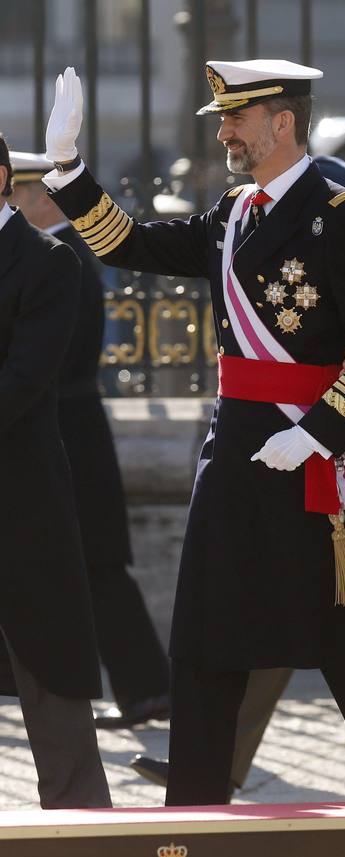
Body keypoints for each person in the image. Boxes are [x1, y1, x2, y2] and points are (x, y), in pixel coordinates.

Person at [43, 63, 345, 807]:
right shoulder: (233, 211)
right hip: (236, 459)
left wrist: (318, 432)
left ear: (283, 122)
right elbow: (130, 244)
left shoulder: (339, 214)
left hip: (315, 466)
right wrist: (68, 170)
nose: (223, 133)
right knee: (205, 640)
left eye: (235, 119)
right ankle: (192, 816)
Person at [9, 151, 171, 730]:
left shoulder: (59, 257)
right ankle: (145, 689)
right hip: (66, 426)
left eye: (18, 194)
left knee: (96, 566)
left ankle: (148, 689)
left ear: (39, 197)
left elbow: (52, 359)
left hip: (67, 430)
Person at [0, 134, 110, 809]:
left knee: (50, 671)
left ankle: (81, 827)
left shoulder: (48, 260)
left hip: (20, 497)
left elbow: (27, 377)